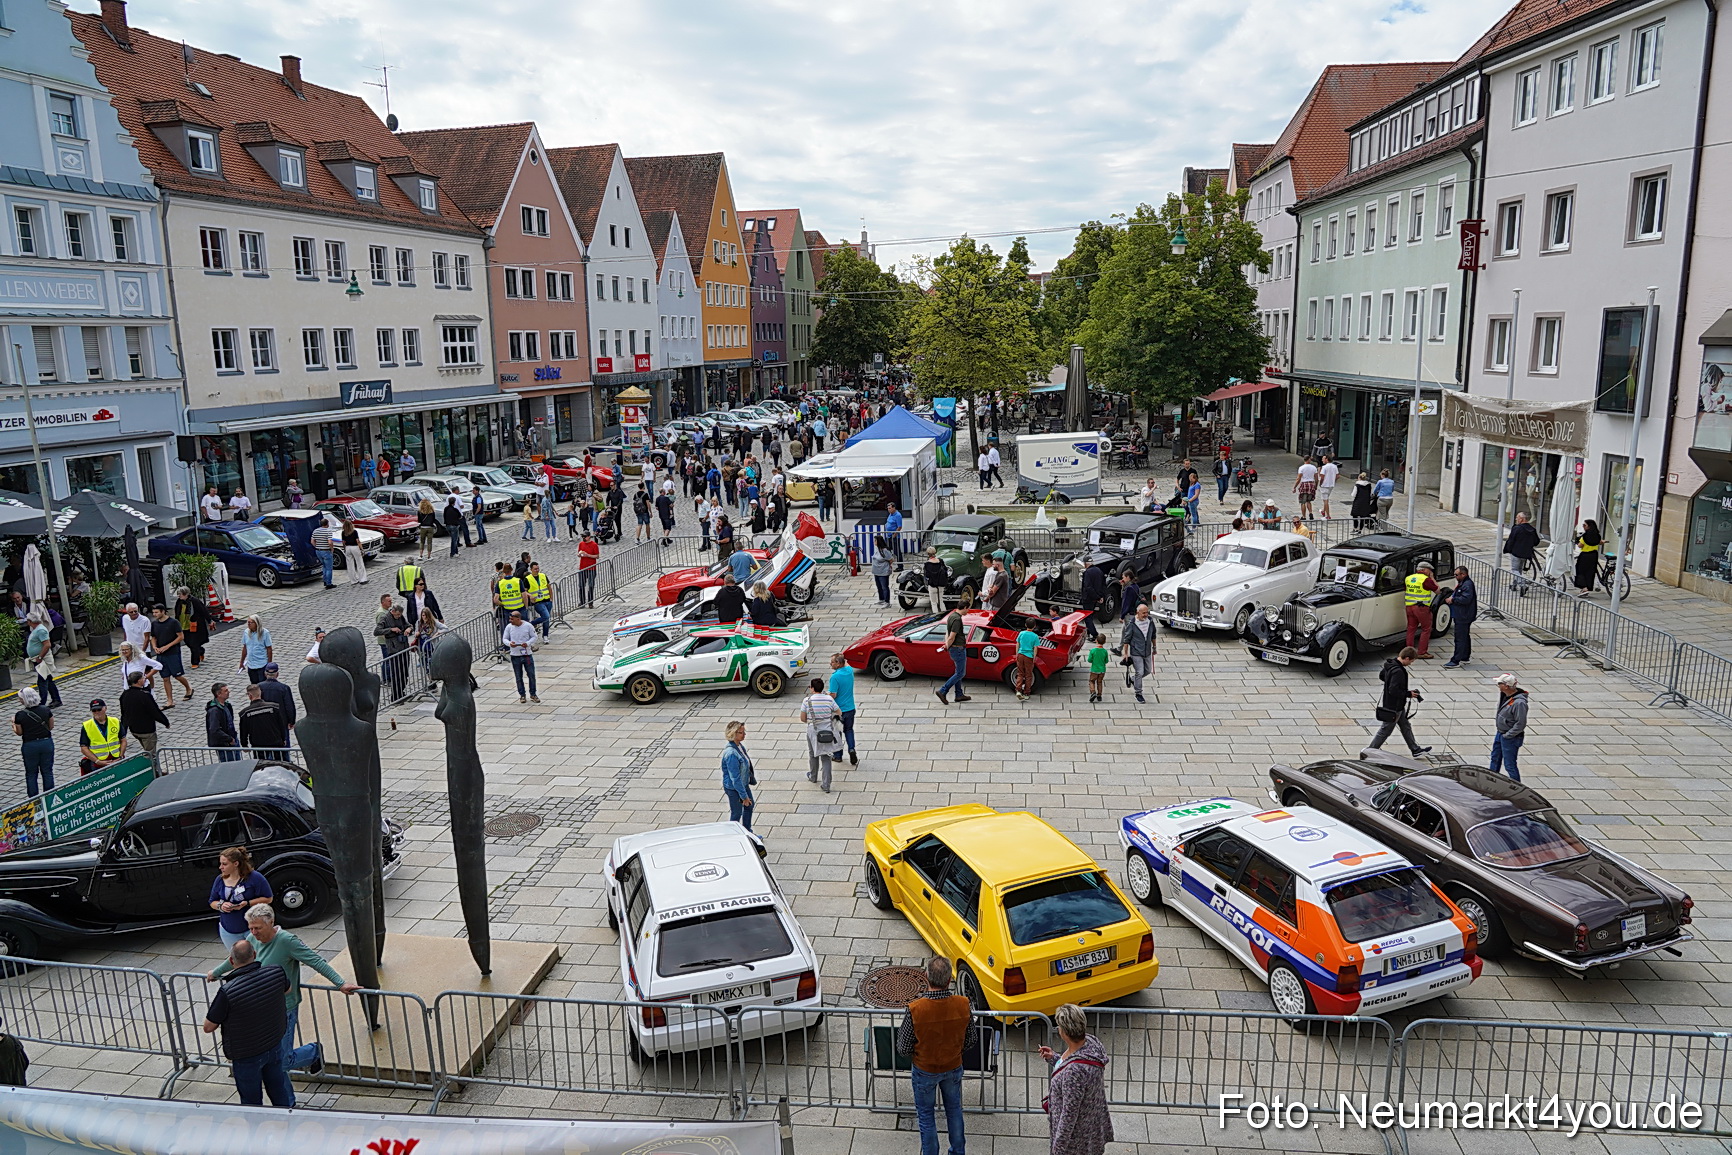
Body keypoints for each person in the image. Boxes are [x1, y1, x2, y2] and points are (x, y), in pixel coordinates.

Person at [208, 903, 360, 1081]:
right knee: (273, 1058)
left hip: (284, 1007)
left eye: (257, 927)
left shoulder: (288, 941)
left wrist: (340, 984)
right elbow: (235, 958)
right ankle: (286, 1100)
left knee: (283, 1061)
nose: (254, 932)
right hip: (261, 1006)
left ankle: (313, 1051)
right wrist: (216, 972)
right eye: (251, 927)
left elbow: (316, 961)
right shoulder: (252, 938)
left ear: (271, 922)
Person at [202, 939, 292, 1108]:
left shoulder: (228, 991)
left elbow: (208, 1027)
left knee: (251, 1101)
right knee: (279, 1090)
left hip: (246, 1054)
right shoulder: (276, 972)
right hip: (273, 1044)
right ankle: (287, 1125)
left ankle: (256, 1131)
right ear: (255, 955)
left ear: (231, 961)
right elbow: (287, 989)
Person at [896, 956, 971, 1155]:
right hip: (953, 1066)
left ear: (926, 977)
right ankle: (958, 1151)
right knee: (954, 1110)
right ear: (949, 980)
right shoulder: (963, 1004)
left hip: (925, 1069)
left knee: (926, 1116)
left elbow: (903, 1047)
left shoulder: (916, 1009)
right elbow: (971, 1039)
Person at [1041, 1004, 1113, 1155]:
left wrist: (1058, 1149)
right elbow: (1074, 1063)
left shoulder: (1074, 1073)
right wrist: (1054, 1058)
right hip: (1091, 1124)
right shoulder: (1091, 1043)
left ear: (1064, 1032)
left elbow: (1069, 1114)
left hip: (1077, 1139)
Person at [1366, 647, 1431, 756]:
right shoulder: (1399, 671)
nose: (1410, 663)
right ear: (1406, 658)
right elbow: (1393, 690)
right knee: (1385, 730)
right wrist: (1408, 694)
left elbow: (1382, 676)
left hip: (1395, 705)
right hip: (1394, 706)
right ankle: (1369, 752)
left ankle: (1415, 749)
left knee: (1405, 726)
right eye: (1411, 661)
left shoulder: (1390, 664)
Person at [209, 847, 273, 950]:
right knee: (238, 959)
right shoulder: (219, 879)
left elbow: (268, 898)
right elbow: (212, 902)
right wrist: (221, 905)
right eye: (220, 863)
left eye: (224, 864)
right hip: (229, 928)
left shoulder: (255, 877)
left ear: (236, 864)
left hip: (253, 927)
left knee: (260, 957)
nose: (221, 867)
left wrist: (247, 903)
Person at [801, 677, 844, 793]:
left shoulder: (807, 701)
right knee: (826, 757)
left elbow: (803, 719)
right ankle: (826, 784)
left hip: (813, 731)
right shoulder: (829, 699)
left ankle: (813, 776)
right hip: (827, 730)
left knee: (813, 754)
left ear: (812, 688)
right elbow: (839, 712)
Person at [146, 605, 192, 708]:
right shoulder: (155, 624)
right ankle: (170, 700)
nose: (154, 614)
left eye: (156, 612)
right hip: (161, 655)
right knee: (165, 678)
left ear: (163, 612)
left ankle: (188, 688)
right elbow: (153, 637)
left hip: (173, 653)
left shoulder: (173, 622)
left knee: (177, 675)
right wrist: (155, 647)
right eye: (153, 612)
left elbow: (180, 637)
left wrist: (167, 646)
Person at [12, 688, 54, 798]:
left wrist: (13, 724)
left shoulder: (20, 715)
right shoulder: (46, 710)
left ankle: (33, 799)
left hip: (30, 745)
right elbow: (51, 726)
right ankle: (49, 797)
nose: (19, 700)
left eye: (20, 698)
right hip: (46, 743)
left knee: (31, 773)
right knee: (47, 771)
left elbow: (19, 732)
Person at [118, 670, 170, 753]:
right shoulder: (145, 695)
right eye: (143, 678)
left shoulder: (124, 695)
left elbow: (124, 714)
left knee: (147, 751)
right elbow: (155, 711)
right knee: (150, 754)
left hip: (134, 729)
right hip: (147, 730)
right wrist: (165, 722)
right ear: (139, 681)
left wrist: (124, 729)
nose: (145, 679)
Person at [1491, 673, 1527, 781]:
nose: (1498, 685)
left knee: (1509, 765)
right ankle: (1490, 781)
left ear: (1506, 686)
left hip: (1510, 737)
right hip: (1500, 733)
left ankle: (1517, 787)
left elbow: (1520, 724)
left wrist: (1507, 736)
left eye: (1499, 683)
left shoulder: (1519, 703)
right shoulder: (1505, 695)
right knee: (1495, 759)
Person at [1118, 603, 1156, 703]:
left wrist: (1154, 647)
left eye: (1147, 612)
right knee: (1140, 672)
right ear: (1137, 612)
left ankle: (1133, 679)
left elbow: (1153, 635)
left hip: (1147, 651)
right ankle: (1138, 693)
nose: (1146, 615)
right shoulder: (1132, 624)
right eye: (1143, 613)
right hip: (1136, 652)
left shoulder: (1150, 621)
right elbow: (1127, 640)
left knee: (1147, 671)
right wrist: (1126, 653)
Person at [238, 684, 289, 758]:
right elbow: (281, 724)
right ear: (260, 693)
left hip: (258, 745)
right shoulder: (274, 707)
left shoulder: (245, 713)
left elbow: (243, 731)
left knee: (261, 767)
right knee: (279, 765)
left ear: (249, 695)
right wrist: (283, 738)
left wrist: (244, 745)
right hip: (276, 743)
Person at [721, 720, 755, 830]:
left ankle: (747, 832)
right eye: (741, 732)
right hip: (735, 788)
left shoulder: (739, 746)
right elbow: (735, 778)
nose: (744, 734)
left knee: (749, 806)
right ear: (733, 734)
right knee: (736, 814)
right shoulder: (731, 753)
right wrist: (744, 796)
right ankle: (733, 835)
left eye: (744, 732)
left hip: (743, 784)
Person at [374, 602, 412, 700]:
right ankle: (395, 695)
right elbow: (377, 631)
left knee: (404, 672)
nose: (399, 616)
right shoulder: (385, 618)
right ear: (393, 611)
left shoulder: (401, 617)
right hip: (393, 649)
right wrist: (391, 629)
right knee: (396, 673)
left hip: (404, 647)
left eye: (400, 615)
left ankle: (402, 691)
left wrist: (408, 629)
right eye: (397, 615)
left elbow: (409, 625)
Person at [78, 698, 126, 775]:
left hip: (117, 759)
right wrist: (98, 761)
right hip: (98, 764)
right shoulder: (87, 726)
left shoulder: (115, 721)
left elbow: (123, 740)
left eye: (99, 709)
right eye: (94, 710)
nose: (97, 712)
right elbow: (84, 748)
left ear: (105, 708)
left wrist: (121, 756)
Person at [1442, 566, 1477, 668]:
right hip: (1463, 614)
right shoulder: (1464, 583)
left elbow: (1466, 599)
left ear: (1463, 574)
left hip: (1463, 615)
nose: (1455, 576)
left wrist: (1453, 600)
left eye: (1456, 574)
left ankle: (1455, 660)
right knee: (1465, 636)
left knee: (1460, 638)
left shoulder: (1467, 585)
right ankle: (1465, 656)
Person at [827, 653, 858, 766]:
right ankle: (851, 749)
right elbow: (847, 662)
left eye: (833, 662)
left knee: (837, 732)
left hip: (838, 711)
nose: (831, 664)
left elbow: (833, 695)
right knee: (849, 730)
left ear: (839, 663)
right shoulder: (849, 671)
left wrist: (826, 695)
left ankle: (838, 756)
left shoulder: (835, 677)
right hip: (850, 708)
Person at [503, 609, 540, 703]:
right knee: (518, 677)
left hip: (526, 654)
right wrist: (510, 644)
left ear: (518, 619)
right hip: (515, 655)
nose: (510, 621)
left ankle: (533, 694)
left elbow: (534, 637)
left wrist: (527, 643)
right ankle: (522, 695)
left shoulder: (528, 626)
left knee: (531, 675)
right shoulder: (509, 627)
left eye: (512, 619)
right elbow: (505, 639)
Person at [936, 607, 971, 707]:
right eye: (967, 609)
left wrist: (946, 644)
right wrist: (947, 645)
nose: (968, 611)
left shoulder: (952, 616)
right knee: (960, 673)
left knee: (958, 672)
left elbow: (947, 632)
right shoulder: (957, 619)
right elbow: (952, 636)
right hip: (958, 649)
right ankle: (943, 690)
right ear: (964, 608)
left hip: (955, 649)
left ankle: (959, 694)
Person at [25, 610, 59, 709]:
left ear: (30, 621)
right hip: (39, 660)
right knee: (48, 679)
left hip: (42, 660)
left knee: (42, 682)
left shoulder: (40, 630)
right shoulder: (37, 629)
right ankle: (56, 699)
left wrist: (40, 657)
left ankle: (41, 703)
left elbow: (47, 644)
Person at [1404, 562, 1438, 659]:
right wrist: (1432, 578)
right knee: (1426, 629)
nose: (1430, 572)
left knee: (1411, 628)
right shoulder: (1426, 579)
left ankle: (1408, 651)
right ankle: (1422, 652)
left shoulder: (1408, 578)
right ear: (1424, 570)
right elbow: (1437, 591)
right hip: (1421, 608)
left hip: (1409, 607)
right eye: (1429, 570)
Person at [1504, 512, 1541, 594]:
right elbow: (1536, 541)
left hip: (1516, 552)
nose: (1516, 519)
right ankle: (1514, 585)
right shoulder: (1532, 529)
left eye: (1517, 517)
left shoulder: (1517, 528)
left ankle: (1522, 585)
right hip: (1526, 553)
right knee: (1519, 569)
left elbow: (1511, 540)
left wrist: (1508, 549)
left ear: (1522, 519)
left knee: (1515, 569)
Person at [258, 662, 296, 733]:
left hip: (265, 721)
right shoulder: (284, 688)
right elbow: (289, 706)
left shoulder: (259, 686)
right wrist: (291, 721)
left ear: (265, 674)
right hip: (281, 722)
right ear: (277, 674)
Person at [206, 683, 240, 760]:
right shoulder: (214, 711)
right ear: (218, 694)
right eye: (226, 691)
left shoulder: (227, 705)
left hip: (232, 740)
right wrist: (229, 739)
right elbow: (214, 730)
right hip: (225, 744)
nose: (229, 692)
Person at [524, 561, 554, 639]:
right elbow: (524, 592)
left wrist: (551, 598)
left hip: (547, 600)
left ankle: (545, 635)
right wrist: (530, 596)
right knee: (546, 616)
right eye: (535, 569)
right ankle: (531, 624)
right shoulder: (527, 579)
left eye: (538, 568)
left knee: (546, 619)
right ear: (531, 569)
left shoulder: (543, 575)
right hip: (538, 602)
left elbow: (549, 587)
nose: (537, 570)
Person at [1573, 520, 1603, 594]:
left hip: (1585, 555)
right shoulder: (1597, 535)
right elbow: (1599, 542)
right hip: (1594, 555)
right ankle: (1588, 587)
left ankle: (1584, 587)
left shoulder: (1585, 536)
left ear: (1589, 526)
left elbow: (1580, 545)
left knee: (1580, 571)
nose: (1583, 526)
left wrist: (1577, 542)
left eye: (1584, 525)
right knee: (1590, 572)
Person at [1014, 624, 1040, 701]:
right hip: (1029, 656)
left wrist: (1017, 654)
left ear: (1025, 625)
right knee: (1028, 675)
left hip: (1020, 654)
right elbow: (1035, 648)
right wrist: (1034, 658)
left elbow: (1017, 644)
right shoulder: (1035, 636)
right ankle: (1026, 692)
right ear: (1034, 626)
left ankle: (1018, 690)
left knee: (1020, 673)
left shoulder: (1021, 633)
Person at [577, 530, 600, 607]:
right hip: (582, 568)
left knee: (590, 585)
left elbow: (597, 556)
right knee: (581, 585)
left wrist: (588, 555)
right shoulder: (581, 544)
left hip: (591, 568)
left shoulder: (594, 545)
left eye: (585, 536)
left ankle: (590, 602)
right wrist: (580, 554)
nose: (583, 538)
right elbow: (579, 553)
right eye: (582, 536)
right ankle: (582, 602)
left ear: (589, 537)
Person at [311, 517, 335, 589]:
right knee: (329, 568)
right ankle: (328, 583)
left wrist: (317, 546)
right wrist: (332, 549)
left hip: (318, 551)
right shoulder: (328, 531)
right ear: (327, 524)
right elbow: (330, 542)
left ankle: (325, 580)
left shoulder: (315, 531)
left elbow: (312, 541)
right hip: (326, 551)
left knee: (324, 566)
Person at [923, 547, 949, 614]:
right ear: (935, 552)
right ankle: (944, 615)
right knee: (941, 601)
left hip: (932, 585)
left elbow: (927, 575)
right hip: (941, 585)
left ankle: (936, 615)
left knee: (934, 603)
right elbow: (946, 571)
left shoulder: (927, 564)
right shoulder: (941, 561)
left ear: (928, 554)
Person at [870, 536, 894, 604]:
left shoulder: (885, 551)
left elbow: (891, 559)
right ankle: (881, 599)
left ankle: (887, 601)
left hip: (883, 571)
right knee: (879, 586)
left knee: (884, 587)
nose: (874, 542)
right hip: (876, 571)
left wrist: (887, 566)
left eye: (875, 540)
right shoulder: (877, 549)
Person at [1086, 637, 1109, 704]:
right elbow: (1106, 661)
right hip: (1102, 670)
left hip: (1094, 669)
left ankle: (1093, 692)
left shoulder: (1093, 650)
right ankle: (1099, 695)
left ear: (1096, 641)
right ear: (1104, 641)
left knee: (1092, 681)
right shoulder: (1105, 651)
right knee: (1099, 682)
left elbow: (1089, 660)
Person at [1318, 455, 1340, 520]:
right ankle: (1323, 511)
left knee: (1325, 501)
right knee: (1326, 499)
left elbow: (1322, 477)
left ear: (1327, 459)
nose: (1322, 460)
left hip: (1325, 485)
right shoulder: (1335, 466)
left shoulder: (1324, 467)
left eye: (1323, 459)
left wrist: (1320, 483)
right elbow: (1338, 476)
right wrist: (1333, 481)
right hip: (1331, 485)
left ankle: (1328, 516)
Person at [884, 504, 904, 568]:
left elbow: (899, 526)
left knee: (897, 551)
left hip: (894, 536)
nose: (888, 510)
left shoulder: (898, 515)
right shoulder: (890, 514)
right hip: (888, 535)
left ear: (894, 508)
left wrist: (894, 535)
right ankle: (888, 565)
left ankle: (900, 566)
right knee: (887, 550)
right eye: (888, 508)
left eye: (890, 508)